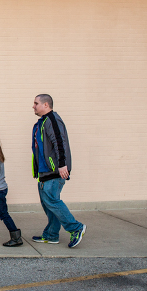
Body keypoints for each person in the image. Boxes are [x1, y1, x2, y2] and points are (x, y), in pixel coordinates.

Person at [31, 94, 86, 248]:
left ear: (46, 105)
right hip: (44, 172)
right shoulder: (41, 122)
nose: (33, 106)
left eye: (36, 103)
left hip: (55, 170)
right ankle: (51, 235)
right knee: (48, 203)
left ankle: (76, 228)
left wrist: (62, 165)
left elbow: (59, 142)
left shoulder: (52, 120)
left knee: (52, 201)